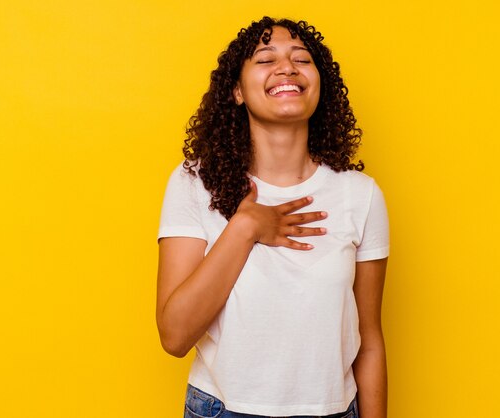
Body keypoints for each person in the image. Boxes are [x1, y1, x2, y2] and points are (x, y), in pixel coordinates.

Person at [156, 16, 390, 418]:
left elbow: (368, 341)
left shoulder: (361, 195)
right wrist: (245, 227)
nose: (287, 67)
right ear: (236, 91)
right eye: (266, 59)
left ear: (319, 86)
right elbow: (174, 335)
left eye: (302, 59)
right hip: (223, 409)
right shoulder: (194, 183)